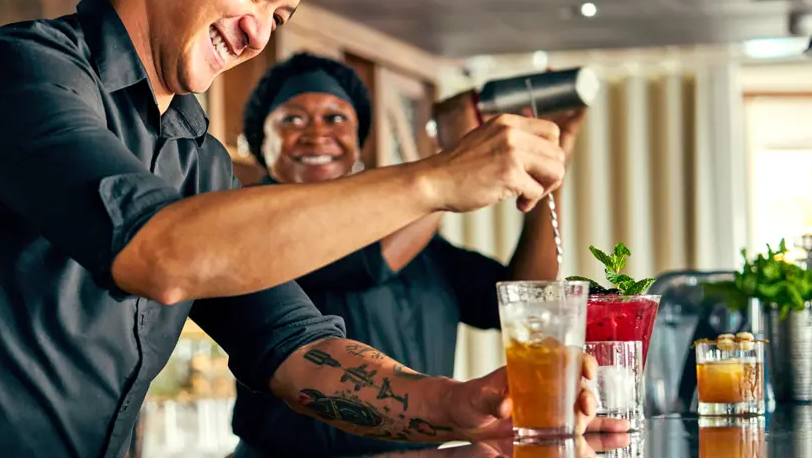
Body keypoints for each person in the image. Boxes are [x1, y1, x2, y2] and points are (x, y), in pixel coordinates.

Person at [0, 0, 612, 458]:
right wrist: (434, 178)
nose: (257, 37)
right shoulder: (21, 70)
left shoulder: (197, 157)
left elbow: (293, 347)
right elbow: (158, 255)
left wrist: (460, 404)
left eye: (280, 17)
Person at [230, 53, 586, 457]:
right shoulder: (256, 225)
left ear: (357, 140)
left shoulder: (418, 244)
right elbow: (370, 262)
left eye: (336, 118)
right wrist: (452, 161)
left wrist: (548, 172)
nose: (316, 134)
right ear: (261, 140)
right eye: (292, 119)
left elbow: (524, 296)